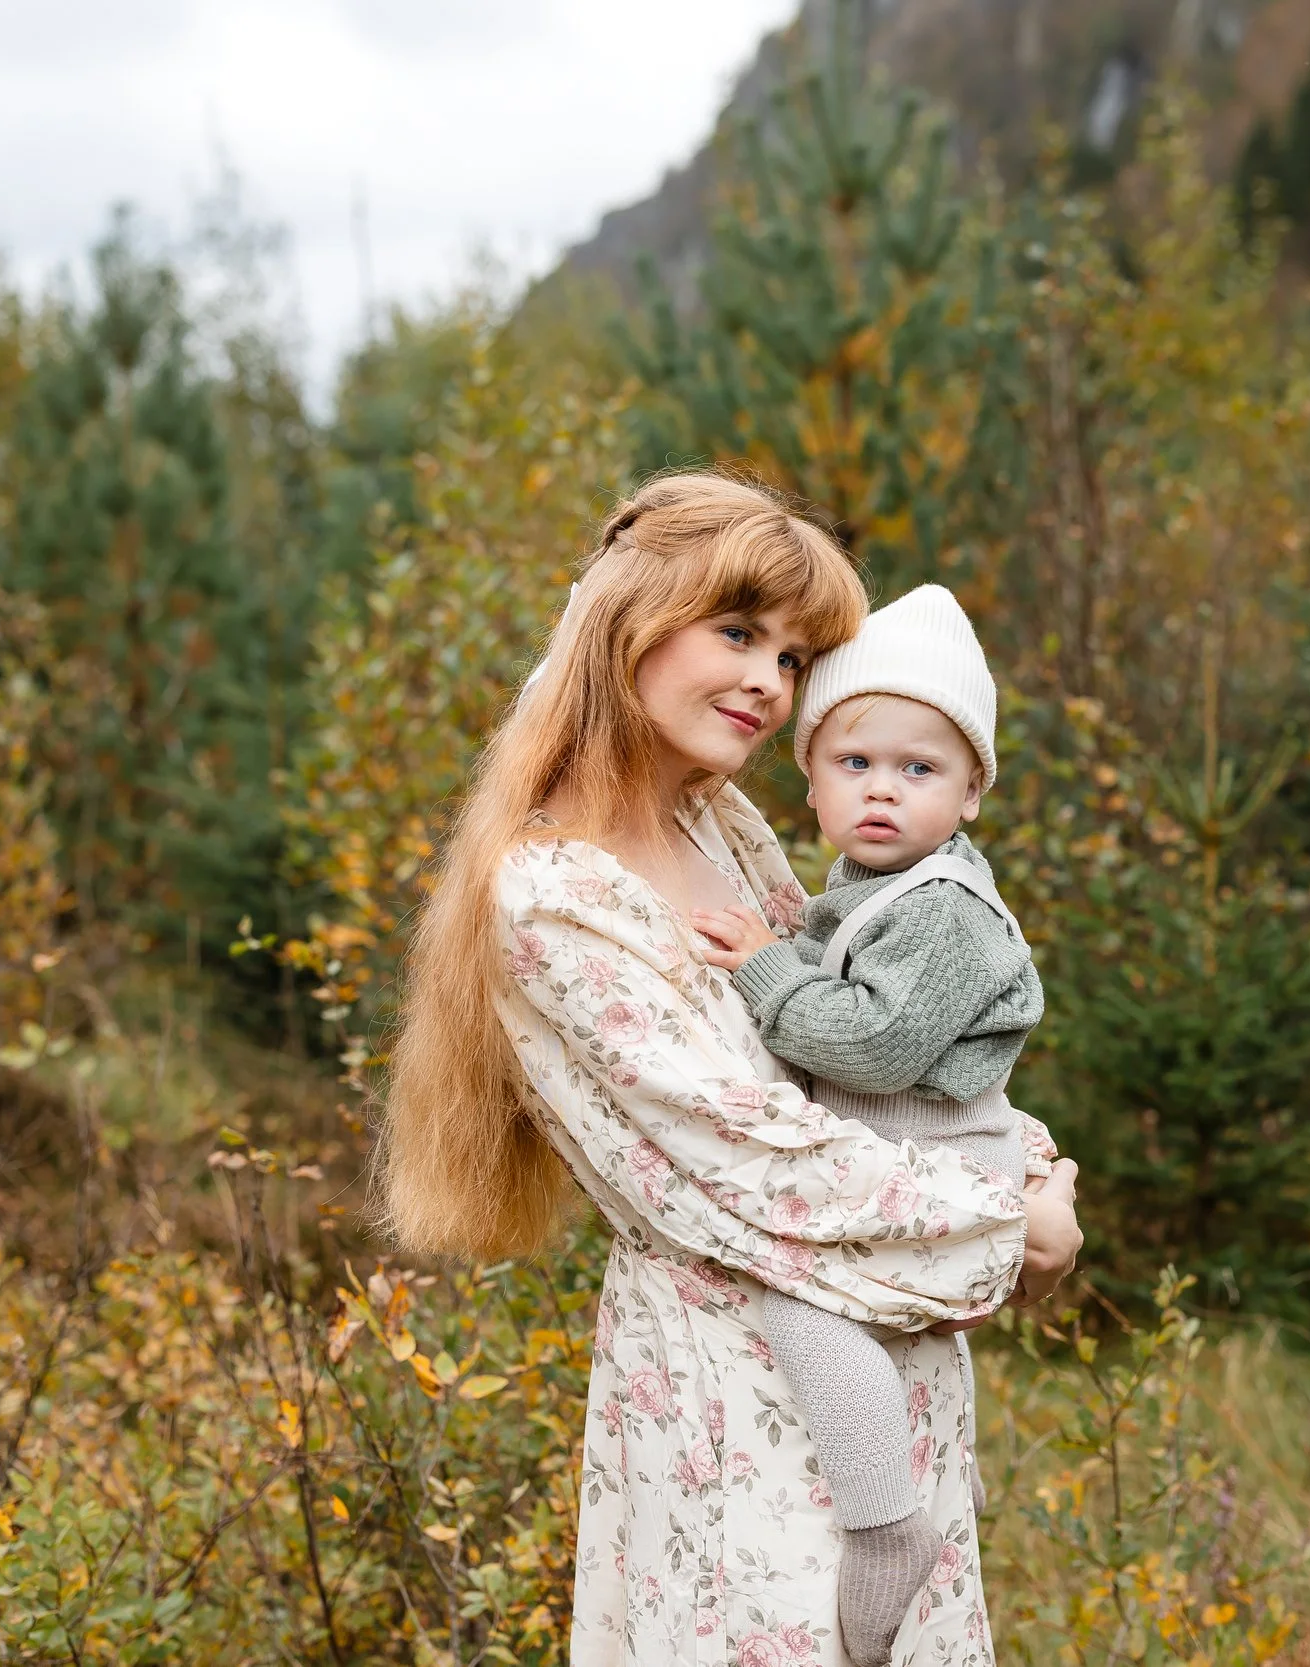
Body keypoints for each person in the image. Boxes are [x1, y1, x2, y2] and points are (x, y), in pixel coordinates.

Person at [374, 472, 1083, 1667]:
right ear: (629, 622)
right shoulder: (555, 892)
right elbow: (753, 1160)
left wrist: (1027, 1157)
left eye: (796, 656)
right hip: (741, 1400)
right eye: (739, 632)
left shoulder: (719, 821)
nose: (769, 680)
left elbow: (852, 1055)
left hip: (876, 1354)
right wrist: (1008, 1219)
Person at [688, 584, 1045, 1667]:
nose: (883, 790)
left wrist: (764, 967)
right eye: (855, 764)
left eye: (919, 768)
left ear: (972, 790)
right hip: (898, 1153)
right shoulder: (867, 881)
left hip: (937, 1158)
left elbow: (878, 1047)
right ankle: (920, 1469)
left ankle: (887, 1518)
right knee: (842, 1308)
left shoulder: (940, 906)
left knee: (802, 1298)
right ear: (810, 780)